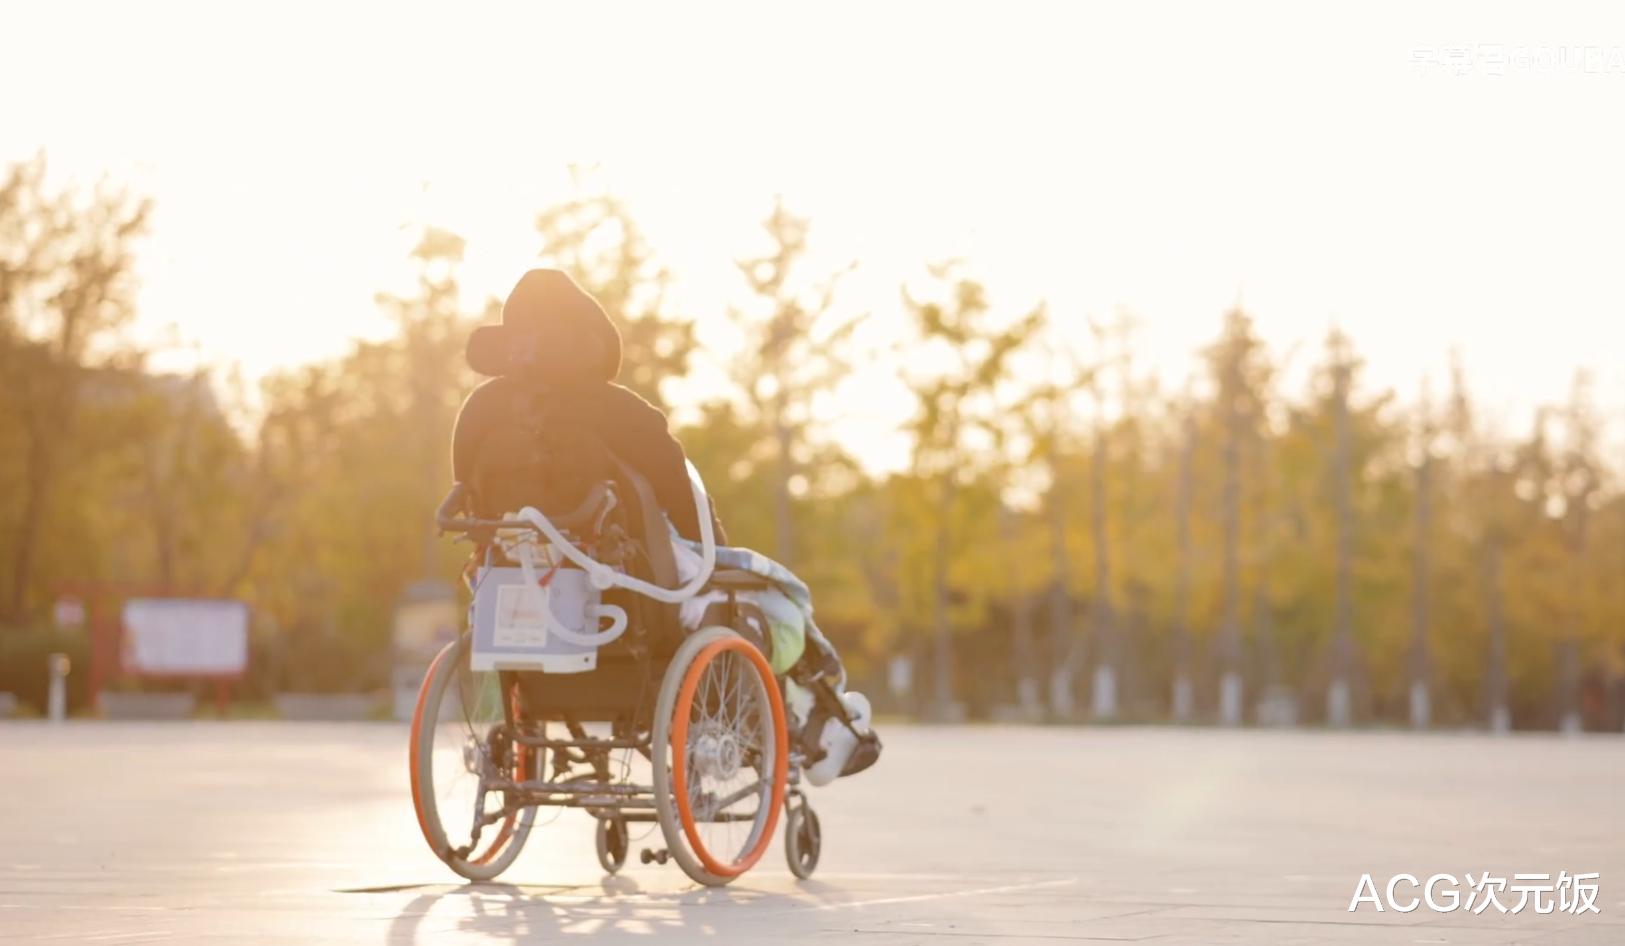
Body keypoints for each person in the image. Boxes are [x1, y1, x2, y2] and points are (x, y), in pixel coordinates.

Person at [451, 269, 878, 781]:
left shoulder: (480, 413)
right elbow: (683, 500)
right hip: (627, 600)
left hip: (515, 594)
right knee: (770, 599)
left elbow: (470, 497)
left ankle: (813, 718)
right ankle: (816, 712)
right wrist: (716, 555)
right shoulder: (622, 412)